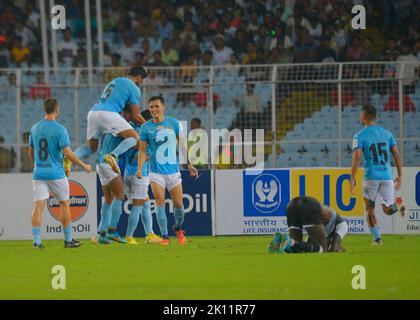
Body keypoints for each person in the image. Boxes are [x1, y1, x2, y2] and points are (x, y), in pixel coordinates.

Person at [29, 98, 92, 249]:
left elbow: (30, 152)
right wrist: (84, 165)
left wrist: (36, 165)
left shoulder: (34, 128)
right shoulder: (60, 129)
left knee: (38, 207)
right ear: (57, 110)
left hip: (39, 173)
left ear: (44, 110)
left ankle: (37, 242)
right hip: (56, 173)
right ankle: (68, 240)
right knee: (64, 204)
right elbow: (68, 152)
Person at [136, 96, 198, 245]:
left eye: (157, 106)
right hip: (156, 172)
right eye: (151, 107)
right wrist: (139, 169)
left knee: (179, 205)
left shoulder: (174, 123)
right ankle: (164, 236)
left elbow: (182, 145)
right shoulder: (145, 128)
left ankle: (178, 228)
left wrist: (188, 164)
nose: (154, 109)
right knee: (160, 202)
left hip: (173, 171)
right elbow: (142, 150)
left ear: (163, 107)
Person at [69, 65, 148, 175]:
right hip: (109, 113)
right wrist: (148, 125)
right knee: (135, 138)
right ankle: (113, 156)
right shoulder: (134, 87)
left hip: (93, 112)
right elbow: (135, 116)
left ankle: (70, 157)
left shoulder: (115, 81)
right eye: (142, 81)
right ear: (139, 78)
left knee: (91, 147)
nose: (140, 83)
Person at [350, 104, 406, 245]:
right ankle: (397, 206)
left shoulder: (359, 136)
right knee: (387, 209)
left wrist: (352, 178)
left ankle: (377, 239)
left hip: (371, 177)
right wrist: (400, 175)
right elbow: (396, 154)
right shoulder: (387, 134)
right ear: (374, 117)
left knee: (369, 209)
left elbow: (357, 157)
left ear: (363, 116)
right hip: (387, 176)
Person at [123, 109, 163, 245]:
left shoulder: (129, 129)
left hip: (127, 173)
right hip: (140, 175)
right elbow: (142, 155)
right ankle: (128, 236)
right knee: (138, 206)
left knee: (145, 204)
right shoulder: (145, 133)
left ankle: (150, 234)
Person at [268, 196, 344, 254]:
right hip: (309, 206)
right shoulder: (342, 225)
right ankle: (289, 241)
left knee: (296, 248)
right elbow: (334, 248)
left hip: (292, 204)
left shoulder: (324, 229)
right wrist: (340, 250)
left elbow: (308, 245)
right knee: (322, 249)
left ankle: (279, 240)